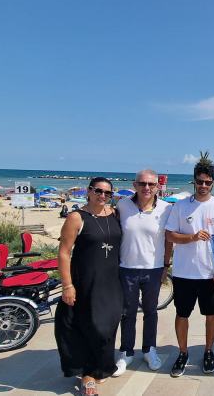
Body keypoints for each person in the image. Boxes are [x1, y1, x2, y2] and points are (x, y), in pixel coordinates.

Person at [55, 177, 123, 395]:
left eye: (107, 193)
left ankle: (102, 366)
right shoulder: (77, 217)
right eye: (98, 191)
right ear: (89, 191)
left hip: (112, 281)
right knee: (89, 326)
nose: (102, 196)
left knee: (108, 325)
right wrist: (67, 285)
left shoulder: (114, 214)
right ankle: (88, 374)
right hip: (86, 281)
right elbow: (64, 252)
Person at [164, 154, 214, 377]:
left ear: (213, 183)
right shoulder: (181, 206)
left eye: (207, 182)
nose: (203, 186)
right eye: (199, 181)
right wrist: (191, 238)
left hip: (209, 274)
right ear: (194, 181)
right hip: (184, 273)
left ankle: (209, 351)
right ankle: (182, 353)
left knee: (211, 315)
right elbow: (169, 235)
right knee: (182, 315)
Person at [113, 169, 172, 376]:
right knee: (127, 313)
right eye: (143, 184)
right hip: (127, 268)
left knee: (151, 312)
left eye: (151, 184)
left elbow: (168, 239)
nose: (147, 188)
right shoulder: (122, 205)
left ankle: (149, 349)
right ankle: (126, 352)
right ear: (135, 185)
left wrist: (166, 265)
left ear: (157, 187)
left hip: (153, 269)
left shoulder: (166, 209)